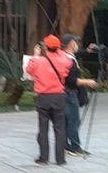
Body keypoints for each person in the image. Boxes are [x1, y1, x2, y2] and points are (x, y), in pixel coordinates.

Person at [25, 34, 73, 166]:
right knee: (59, 128)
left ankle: (43, 157)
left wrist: (36, 54)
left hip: (43, 98)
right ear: (58, 48)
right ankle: (60, 159)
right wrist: (58, 50)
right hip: (59, 97)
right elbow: (69, 62)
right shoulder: (63, 60)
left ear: (45, 47)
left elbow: (29, 69)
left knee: (43, 129)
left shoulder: (39, 61)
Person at [60, 34, 97, 157]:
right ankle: (75, 147)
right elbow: (71, 80)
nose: (76, 44)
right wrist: (88, 82)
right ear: (71, 44)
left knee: (65, 120)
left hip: (61, 92)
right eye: (75, 42)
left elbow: (77, 54)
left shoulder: (63, 56)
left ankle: (65, 145)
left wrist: (87, 50)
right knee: (73, 120)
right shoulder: (69, 61)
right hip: (69, 92)